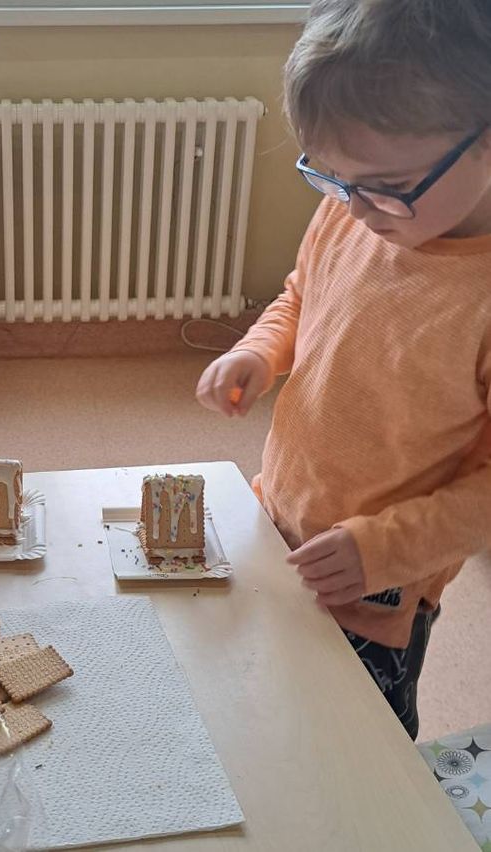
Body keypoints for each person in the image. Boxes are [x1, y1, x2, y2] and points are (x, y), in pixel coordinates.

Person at [196, 0, 491, 739]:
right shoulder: (357, 206)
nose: (355, 207)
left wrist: (382, 550)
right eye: (330, 177)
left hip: (376, 592)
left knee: (357, 749)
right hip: (282, 517)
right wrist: (263, 349)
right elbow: (303, 292)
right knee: (267, 709)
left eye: (386, 184)